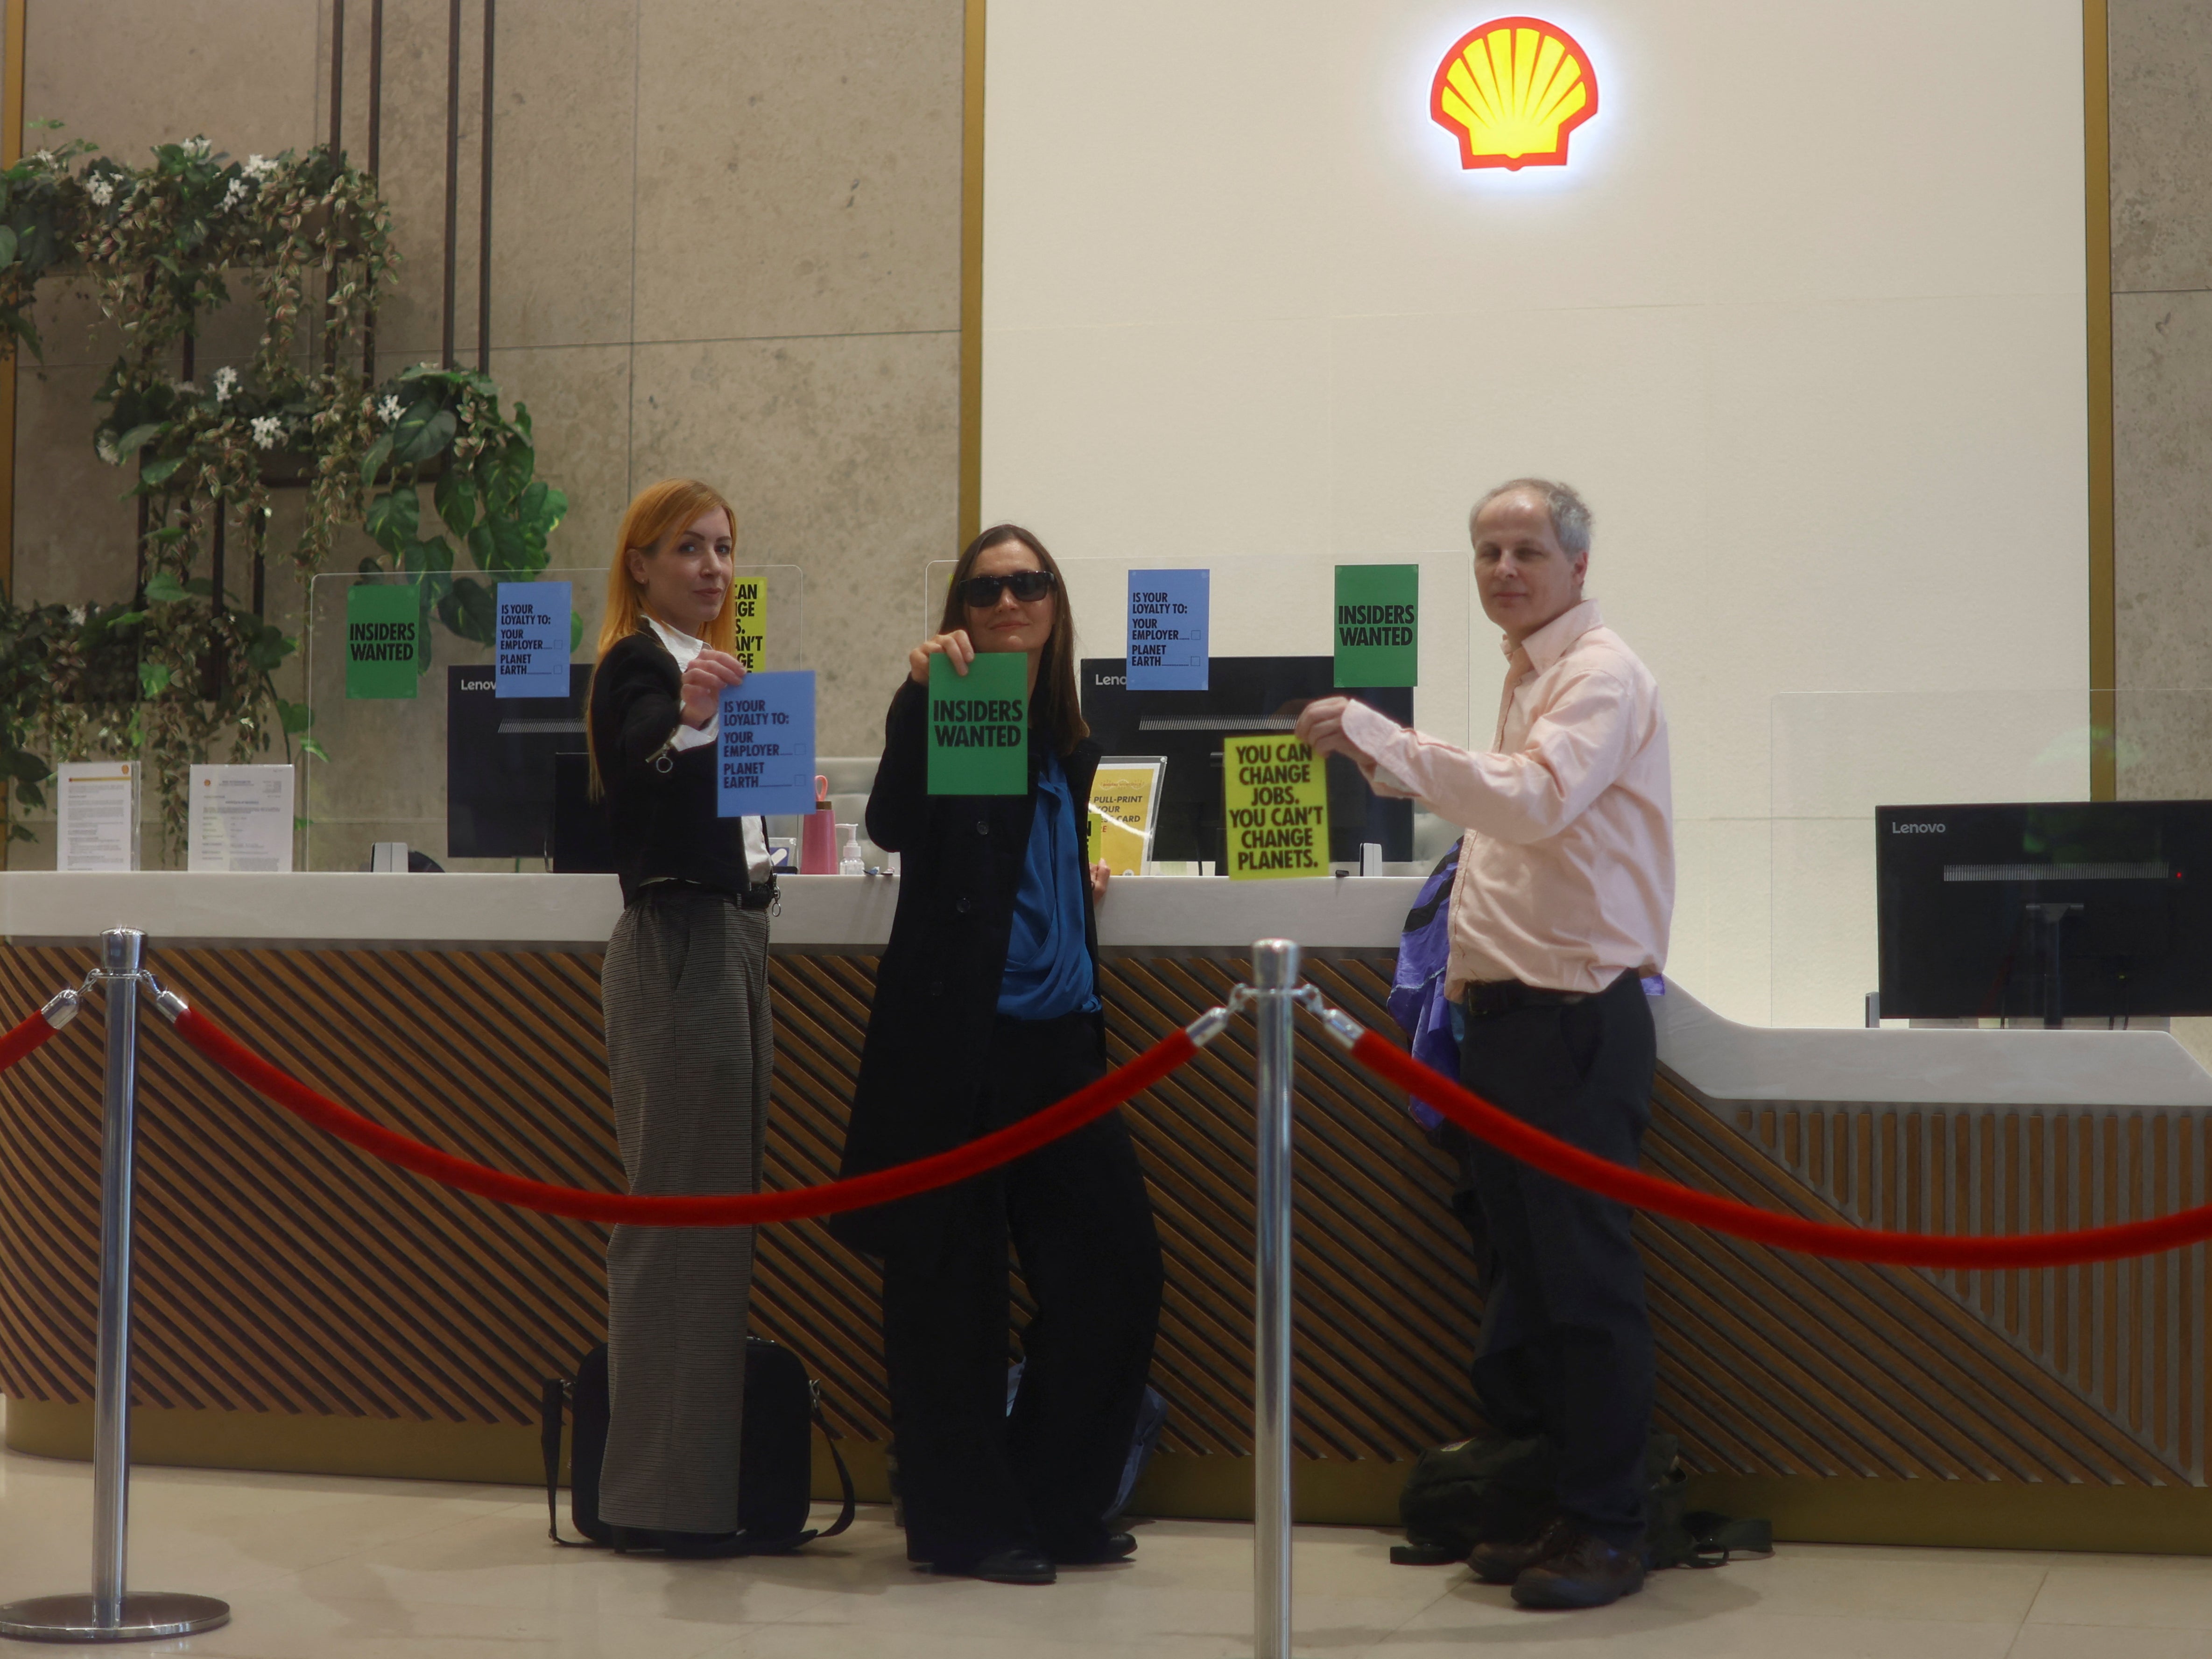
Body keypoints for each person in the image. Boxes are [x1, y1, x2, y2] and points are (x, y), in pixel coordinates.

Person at [1297, 478, 1672, 1611]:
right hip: (1511, 1026)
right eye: (1486, 552)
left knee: (1582, 1286)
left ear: (1575, 566)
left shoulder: (1597, 675)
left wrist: (1386, 742)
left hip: (1572, 1025)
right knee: (1529, 1285)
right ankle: (1563, 1502)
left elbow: (1534, 800)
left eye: (1524, 551)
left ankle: (1610, 1527)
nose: (1503, 570)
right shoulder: (1531, 676)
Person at [831, 523, 1166, 1586]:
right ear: (960, 609)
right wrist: (923, 703)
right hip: (961, 1048)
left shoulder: (1068, 734)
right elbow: (894, 823)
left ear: (1056, 604)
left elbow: (1031, 855)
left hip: (1065, 1046)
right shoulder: (953, 702)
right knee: (950, 1302)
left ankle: (1050, 1497)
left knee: (1117, 1274)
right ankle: (963, 1522)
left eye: (1028, 584)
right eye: (986, 588)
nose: (1008, 601)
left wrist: (1079, 873)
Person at [586, 478, 777, 1557]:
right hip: (678, 942)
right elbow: (645, 768)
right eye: (688, 548)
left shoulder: (715, 672)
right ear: (642, 565)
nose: (711, 567)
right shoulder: (640, 667)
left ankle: (697, 1487)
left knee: (717, 1222)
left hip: (737, 935)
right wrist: (697, 717)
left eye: (723, 547)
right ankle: (660, 1497)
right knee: (676, 1226)